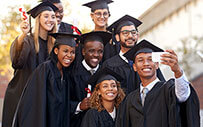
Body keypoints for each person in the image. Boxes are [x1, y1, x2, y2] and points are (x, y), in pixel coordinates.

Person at [116, 39, 200, 127]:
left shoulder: (168, 89)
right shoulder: (130, 99)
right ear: (134, 67)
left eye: (150, 59)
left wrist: (177, 71)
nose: (146, 63)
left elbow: (183, 95)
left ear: (156, 64)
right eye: (140, 60)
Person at [2, 2, 58, 127]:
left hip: (43, 99)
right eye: (46, 16)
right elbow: (17, 62)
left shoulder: (54, 46)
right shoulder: (27, 41)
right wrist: (22, 35)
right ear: (38, 19)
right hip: (22, 97)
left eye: (53, 17)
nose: (50, 20)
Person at [13, 32, 79, 127]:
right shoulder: (45, 69)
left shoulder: (66, 74)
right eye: (65, 51)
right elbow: (34, 104)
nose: (69, 55)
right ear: (56, 51)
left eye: (72, 52)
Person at [102, 15, 165, 95]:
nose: (130, 36)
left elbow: (162, 87)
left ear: (137, 36)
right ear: (117, 37)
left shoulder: (149, 62)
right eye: (125, 33)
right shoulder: (109, 65)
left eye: (133, 32)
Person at [70, 31, 112, 127]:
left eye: (100, 51)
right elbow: (61, 102)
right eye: (91, 51)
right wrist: (79, 106)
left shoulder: (106, 74)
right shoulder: (72, 74)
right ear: (83, 52)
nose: (96, 55)